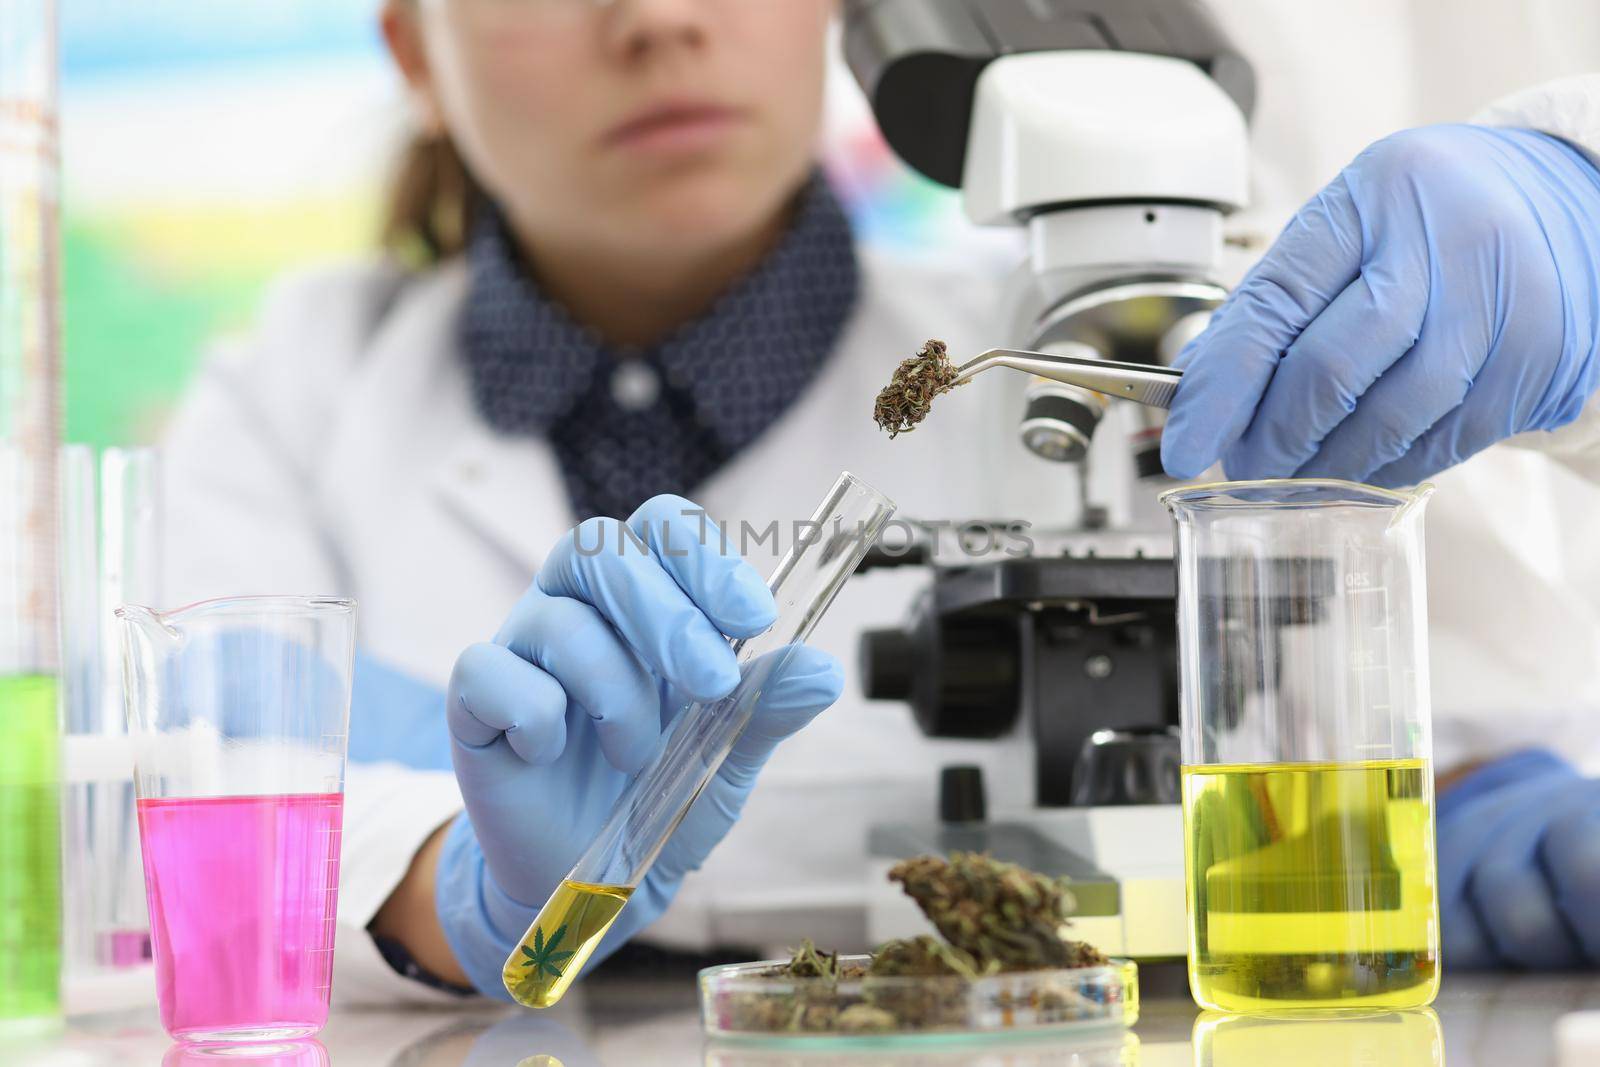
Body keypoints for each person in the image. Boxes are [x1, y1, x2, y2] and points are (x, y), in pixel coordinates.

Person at [158, 0, 1600, 1003]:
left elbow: (1396, 706)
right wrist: (455, 882)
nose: (655, 18)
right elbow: (179, 825)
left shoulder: (1071, 345)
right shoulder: (295, 402)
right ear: (416, 44)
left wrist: (1482, 818)